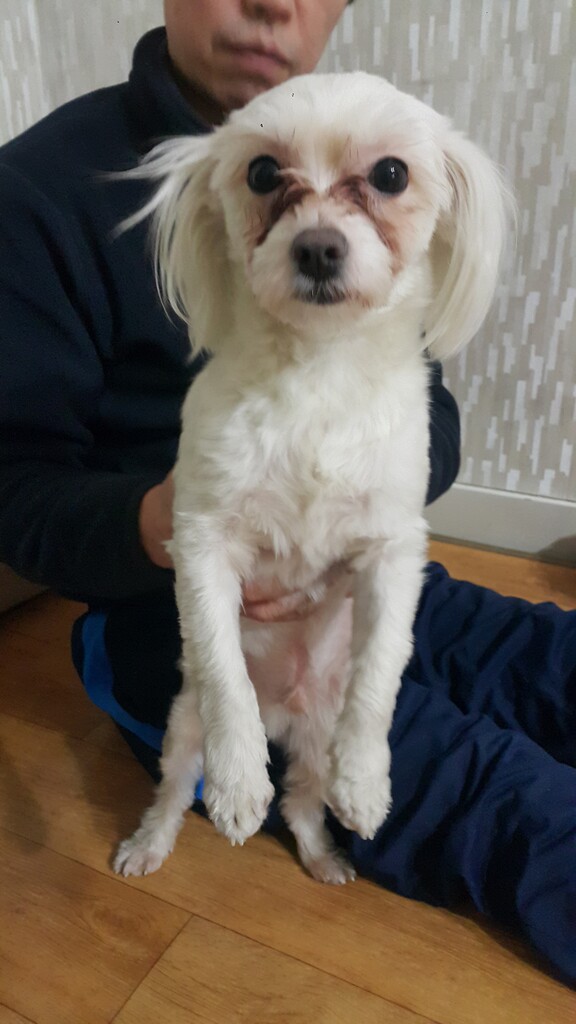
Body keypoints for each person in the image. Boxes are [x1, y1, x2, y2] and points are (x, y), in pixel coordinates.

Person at [0, 0, 574, 986]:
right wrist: (159, 523)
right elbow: (11, 487)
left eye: (381, 181)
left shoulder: (386, 133)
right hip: (168, 620)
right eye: (267, 179)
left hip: (351, 575)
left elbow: (431, 415)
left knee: (546, 659)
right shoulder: (37, 191)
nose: (273, 1)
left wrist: (380, 501)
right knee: (520, 806)